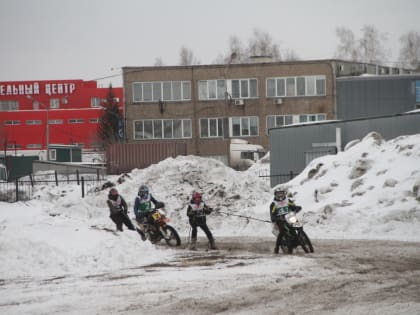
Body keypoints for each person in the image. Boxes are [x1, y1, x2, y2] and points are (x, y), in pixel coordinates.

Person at [270, 187, 301, 254]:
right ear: (275, 195)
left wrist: (297, 209)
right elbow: (272, 215)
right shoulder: (274, 204)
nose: (280, 196)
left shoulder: (288, 201)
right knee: (282, 231)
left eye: (281, 194)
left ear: (284, 194)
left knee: (299, 226)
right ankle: (277, 247)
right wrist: (276, 218)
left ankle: (300, 238)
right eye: (278, 194)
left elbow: (294, 206)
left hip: (290, 217)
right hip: (280, 220)